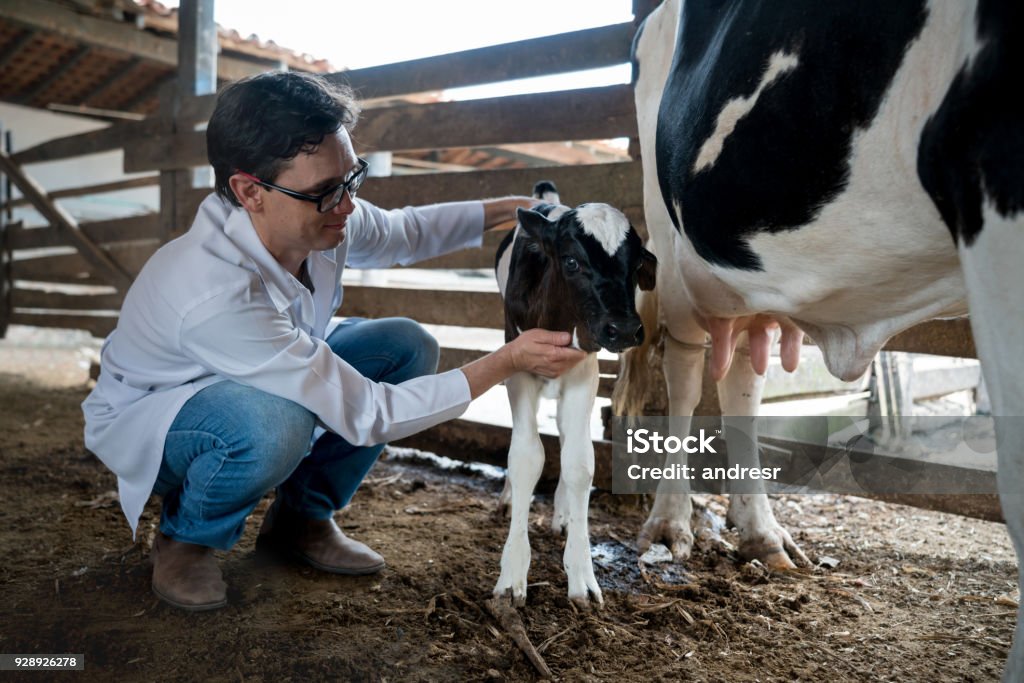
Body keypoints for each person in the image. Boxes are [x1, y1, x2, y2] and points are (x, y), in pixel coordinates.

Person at [81, 71, 585, 611]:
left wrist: (519, 211)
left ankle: (302, 517)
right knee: (277, 425)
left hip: (259, 370)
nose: (347, 204)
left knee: (406, 345)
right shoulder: (213, 290)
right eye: (326, 191)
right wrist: (509, 358)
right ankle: (186, 539)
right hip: (165, 418)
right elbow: (367, 412)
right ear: (249, 191)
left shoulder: (316, 214)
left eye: (352, 179)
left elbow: (405, 233)